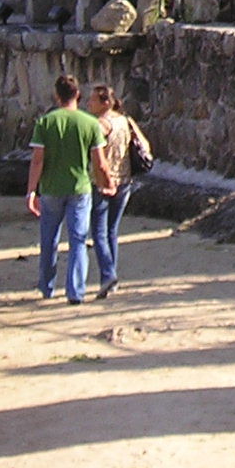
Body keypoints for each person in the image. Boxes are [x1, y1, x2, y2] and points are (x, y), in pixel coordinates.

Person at [25, 74, 109, 305]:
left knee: (49, 240)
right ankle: (75, 290)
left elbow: (37, 160)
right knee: (78, 240)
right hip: (80, 188)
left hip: (51, 187)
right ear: (78, 95)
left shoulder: (46, 122)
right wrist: (106, 183)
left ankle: (47, 286)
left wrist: (32, 191)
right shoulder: (90, 123)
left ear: (56, 95)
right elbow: (99, 162)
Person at [87, 84, 150, 300]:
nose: (89, 103)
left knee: (99, 232)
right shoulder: (125, 120)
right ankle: (111, 276)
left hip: (103, 182)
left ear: (105, 102)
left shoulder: (100, 125)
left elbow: (95, 155)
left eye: (93, 100)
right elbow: (145, 145)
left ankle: (108, 274)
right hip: (125, 181)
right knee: (111, 230)